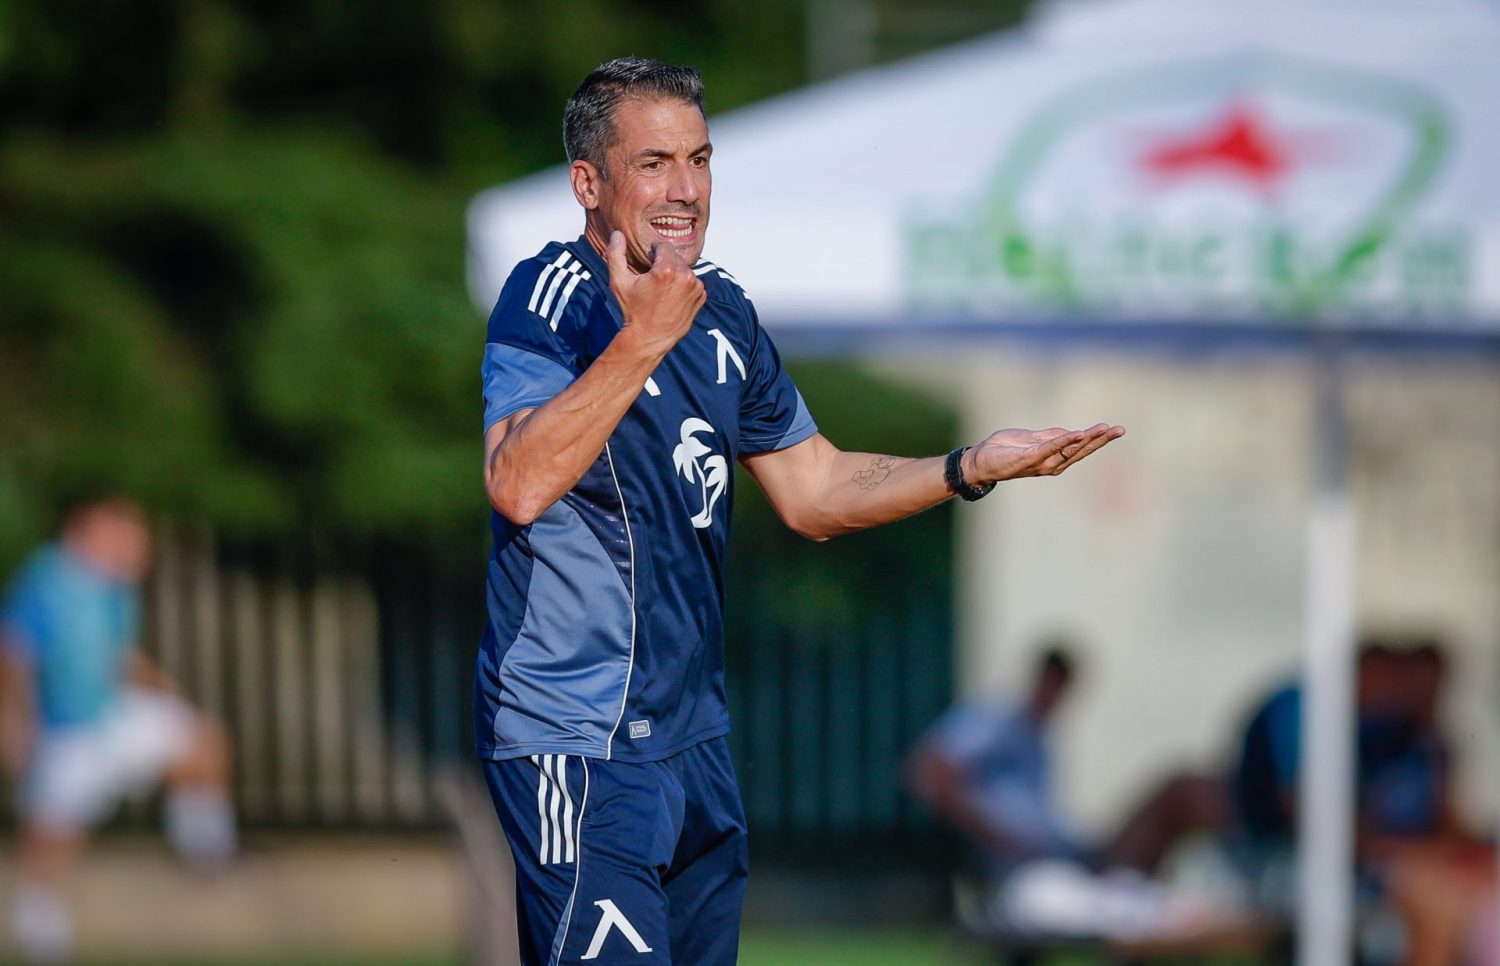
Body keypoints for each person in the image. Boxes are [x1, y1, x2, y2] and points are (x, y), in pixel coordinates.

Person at [476, 56, 1125, 965]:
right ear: (590, 183)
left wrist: (968, 466)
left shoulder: (724, 314)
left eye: (700, 160)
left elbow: (815, 489)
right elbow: (517, 481)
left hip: (694, 744)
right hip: (576, 739)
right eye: (655, 163)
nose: (686, 189)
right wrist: (641, 340)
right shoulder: (553, 297)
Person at [0, 498, 236, 963]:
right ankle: (40, 932)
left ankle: (207, 852)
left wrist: (157, 683)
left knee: (202, 741)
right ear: (88, 531)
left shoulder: (114, 587)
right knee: (52, 838)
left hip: (112, 715)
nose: (135, 546)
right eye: (125, 534)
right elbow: (13, 655)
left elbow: (114, 655)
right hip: (65, 730)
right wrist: (12, 719)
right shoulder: (46, 581)